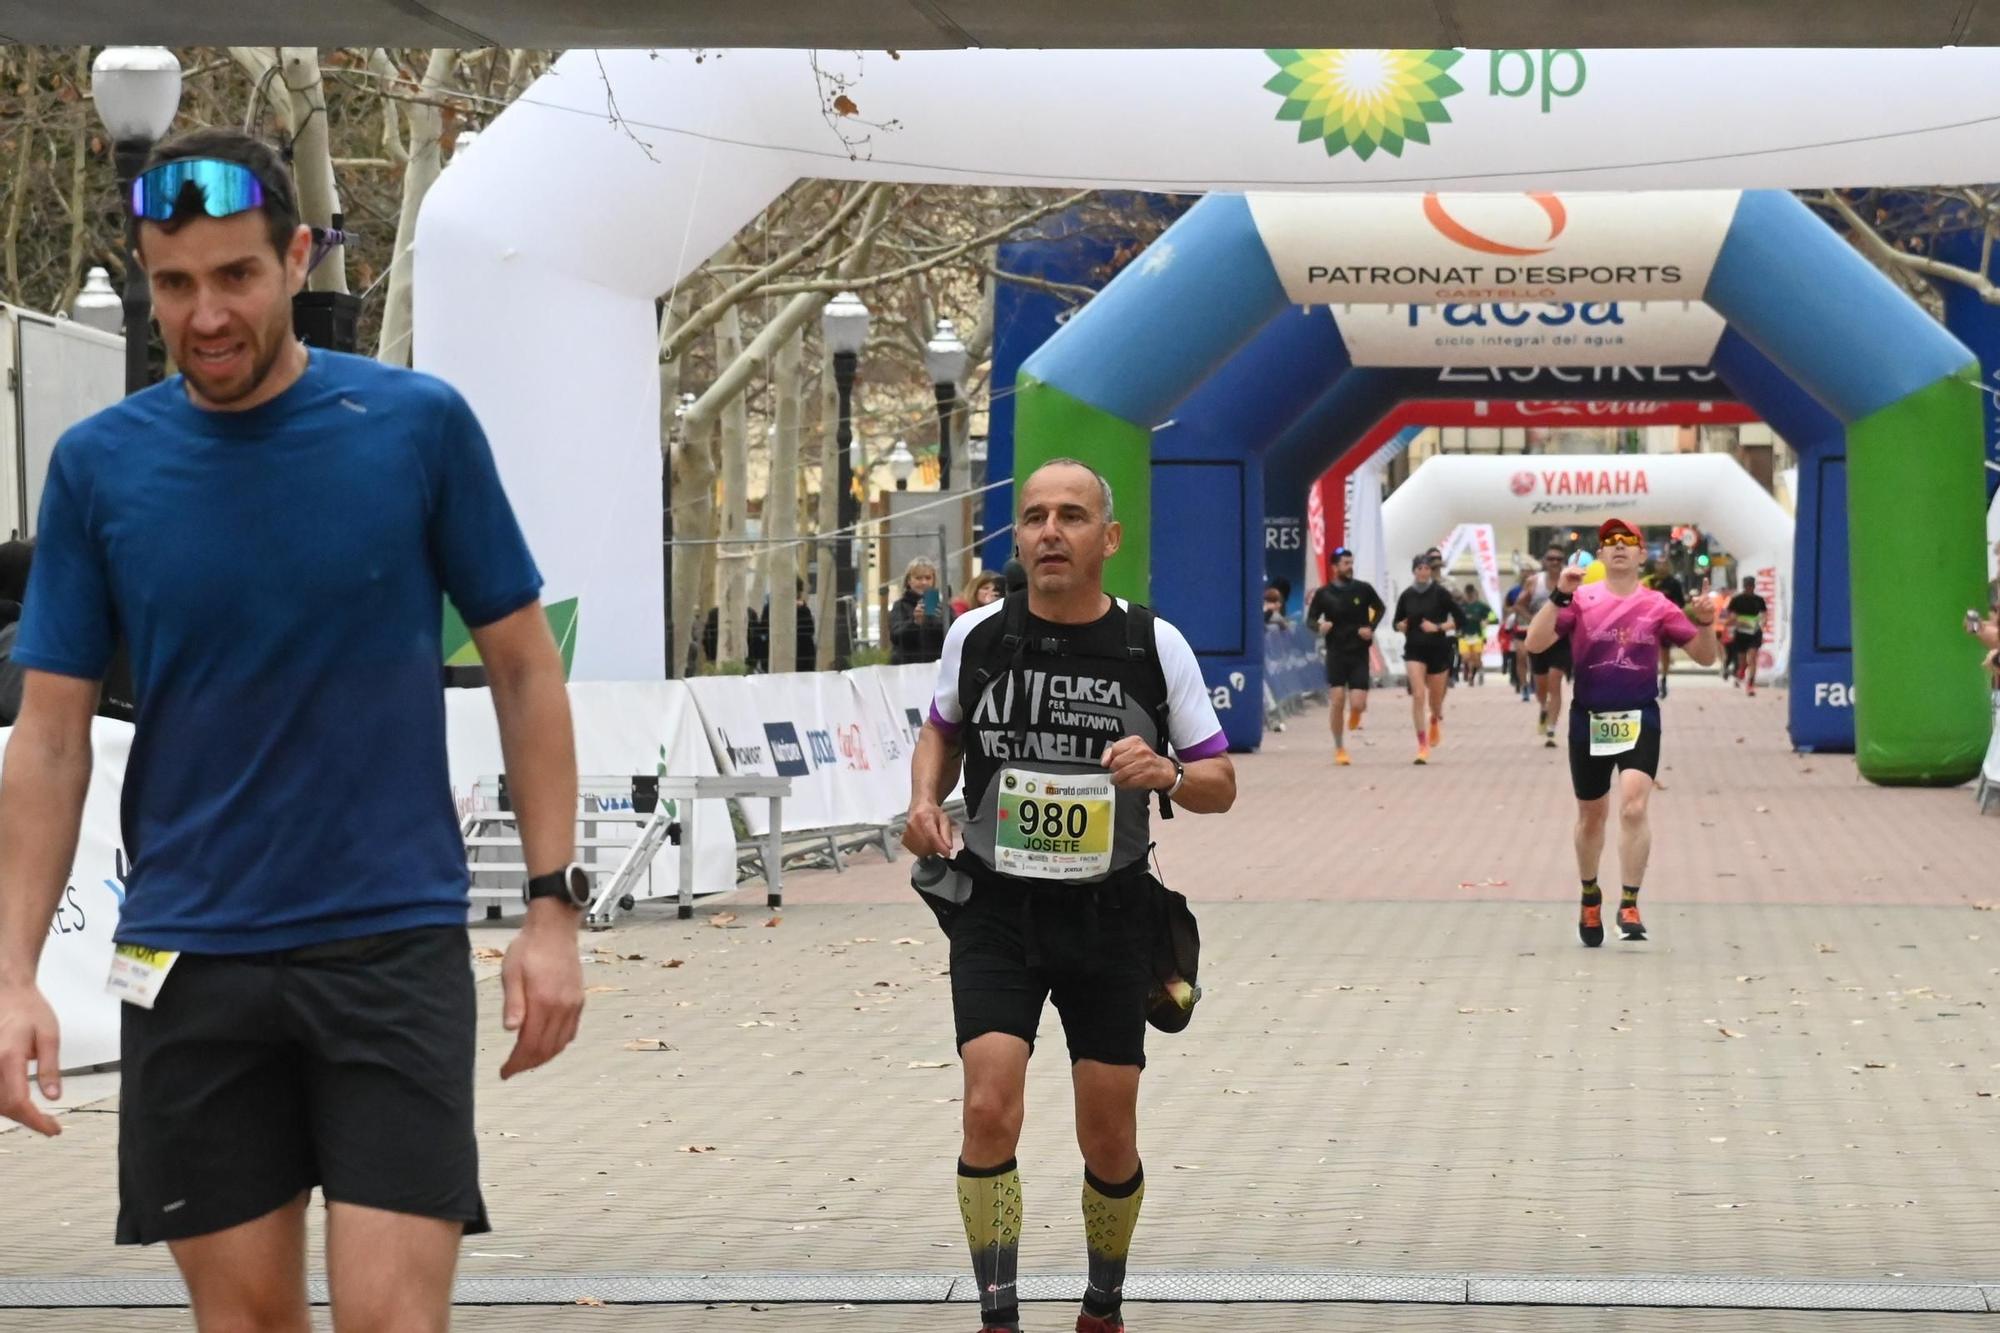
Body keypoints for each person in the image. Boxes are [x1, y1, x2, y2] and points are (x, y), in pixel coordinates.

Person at [0, 129, 586, 1329]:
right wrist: (11, 974)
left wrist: (550, 907)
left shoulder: (416, 427)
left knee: (389, 1320)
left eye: (236, 276)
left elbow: (525, 670)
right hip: (185, 962)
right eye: (175, 283)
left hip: (391, 949)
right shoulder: (100, 467)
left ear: (298, 258)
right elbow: (50, 737)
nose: (205, 313)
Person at [903, 458, 1235, 1333]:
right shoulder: (976, 635)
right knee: (987, 1104)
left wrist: (1165, 770)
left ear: (1108, 538)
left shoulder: (1152, 645)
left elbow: (1220, 780)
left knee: (1108, 1133)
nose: (1051, 530)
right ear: (1016, 536)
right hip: (996, 908)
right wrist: (920, 802)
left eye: (1073, 516)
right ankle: (998, 1311)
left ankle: (1103, 1301)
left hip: (1110, 913)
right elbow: (939, 731)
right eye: (1035, 516)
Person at [1524, 518, 1718, 947]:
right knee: (1592, 816)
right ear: (1601, 553)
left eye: (1626, 541)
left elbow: (1706, 658)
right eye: (1609, 541)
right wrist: (1559, 595)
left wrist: (1705, 623)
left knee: (1632, 807)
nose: (1617, 547)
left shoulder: (1659, 605)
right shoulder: (1581, 599)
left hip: (1639, 717)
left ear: (1640, 553)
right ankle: (1590, 893)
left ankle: (1629, 901)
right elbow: (1534, 644)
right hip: (1589, 718)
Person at [1305, 546, 1385, 766]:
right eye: (1345, 564)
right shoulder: (1324, 594)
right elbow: (1310, 620)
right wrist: (1320, 626)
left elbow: (1380, 608)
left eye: (1351, 563)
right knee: (1338, 700)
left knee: (1358, 703)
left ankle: (1356, 713)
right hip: (1336, 652)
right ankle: (1339, 747)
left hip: (1359, 652)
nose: (1350, 567)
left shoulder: (1363, 589)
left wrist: (1371, 627)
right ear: (1334, 567)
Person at [1393, 554, 1459, 764]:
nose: (1423, 572)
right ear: (1414, 571)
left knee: (1436, 701)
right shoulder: (1407, 595)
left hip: (1438, 649)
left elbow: (1460, 619)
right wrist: (1400, 626)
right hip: (1414, 649)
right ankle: (1422, 745)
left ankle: (1434, 720)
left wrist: (1438, 627)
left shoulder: (1440, 593)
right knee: (1418, 695)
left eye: (1426, 568)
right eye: (1419, 568)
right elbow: (1397, 621)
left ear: (1430, 571)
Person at [1521, 546, 1573, 748]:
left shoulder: (1571, 580)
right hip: (1539, 640)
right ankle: (1543, 707)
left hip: (1561, 639)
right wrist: (1533, 619)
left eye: (1559, 559)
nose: (1555, 562)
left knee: (1555, 679)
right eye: (1551, 558)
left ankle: (1551, 728)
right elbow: (1518, 604)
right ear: (1544, 561)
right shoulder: (1535, 582)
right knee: (1541, 685)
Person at [889, 556, 953, 665]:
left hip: (936, 666)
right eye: (918, 578)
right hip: (907, 666)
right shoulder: (900, 606)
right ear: (909, 581)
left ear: (933, 581)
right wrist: (915, 623)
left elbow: (952, 635)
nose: (924, 582)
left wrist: (937, 619)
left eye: (928, 578)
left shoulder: (943, 607)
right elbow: (895, 637)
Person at [1645, 556, 1688, 698]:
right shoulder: (1649, 581)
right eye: (1659, 563)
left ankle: (1663, 679)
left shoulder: (1674, 583)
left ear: (1668, 566)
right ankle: (1649, 680)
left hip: (1665, 622)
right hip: (1649, 621)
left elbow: (1681, 603)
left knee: (1664, 651)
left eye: (1664, 564)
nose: (1661, 566)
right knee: (1649, 651)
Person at [1727, 576, 1768, 696]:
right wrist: (1734, 619)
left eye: (1751, 586)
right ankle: (1741, 671)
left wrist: (1763, 622)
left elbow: (1764, 613)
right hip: (1741, 632)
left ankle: (1750, 685)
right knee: (1743, 662)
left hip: (1754, 632)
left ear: (1754, 586)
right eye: (1747, 586)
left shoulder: (1759, 600)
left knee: (1752, 659)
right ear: (1744, 586)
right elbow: (1729, 616)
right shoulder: (1736, 599)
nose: (1749, 588)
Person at [1456, 583, 1493, 688]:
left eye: (1470, 593)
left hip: (1477, 635)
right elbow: (1454, 617)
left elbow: (1493, 616)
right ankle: (1470, 673)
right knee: (1466, 657)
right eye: (1467, 593)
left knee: (1475, 657)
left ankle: (1476, 673)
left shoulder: (1480, 606)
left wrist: (1487, 620)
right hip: (1464, 635)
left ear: (1473, 593)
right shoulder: (1461, 606)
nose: (1468, 595)